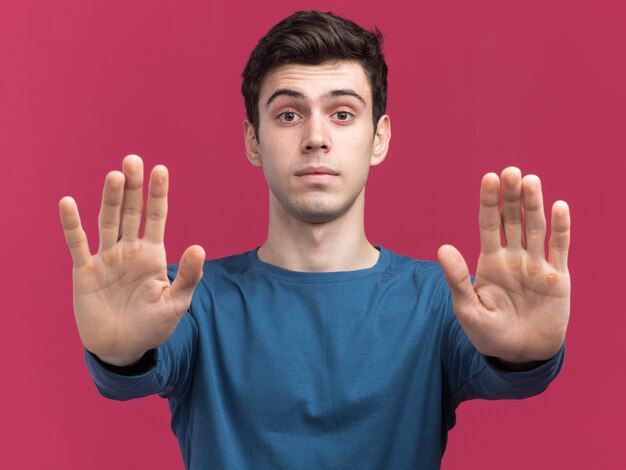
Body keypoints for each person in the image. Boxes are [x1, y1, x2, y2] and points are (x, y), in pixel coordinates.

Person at [58, 10, 571, 470]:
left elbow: (510, 368)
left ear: (380, 138)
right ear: (253, 141)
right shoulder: (187, 300)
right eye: (288, 114)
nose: (316, 136)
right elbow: (138, 363)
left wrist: (525, 354)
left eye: (343, 113)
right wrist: (118, 355)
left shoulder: (443, 303)